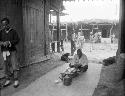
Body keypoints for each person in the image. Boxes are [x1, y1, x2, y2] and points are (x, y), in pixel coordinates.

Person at [0, 18, 20, 88]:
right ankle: (7, 80)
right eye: (3, 25)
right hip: (4, 52)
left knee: (14, 65)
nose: (4, 26)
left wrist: (9, 42)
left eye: (5, 24)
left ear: (8, 24)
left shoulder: (13, 31)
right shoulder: (1, 32)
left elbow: (17, 40)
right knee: (5, 67)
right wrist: (2, 43)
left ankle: (16, 80)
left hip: (12, 51)